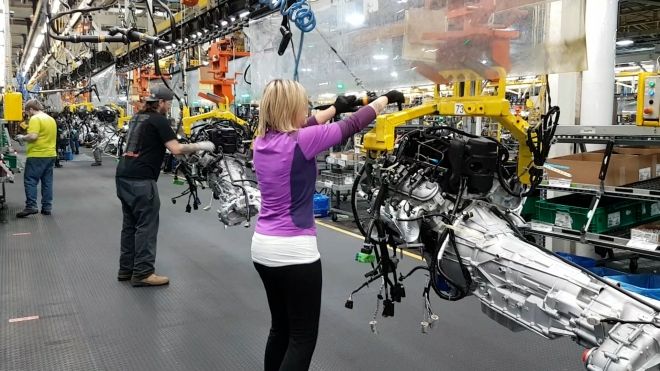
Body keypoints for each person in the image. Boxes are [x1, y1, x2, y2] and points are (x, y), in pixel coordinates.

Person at [251, 79, 404, 371]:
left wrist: (335, 107)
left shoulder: (261, 142)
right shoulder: (302, 141)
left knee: (280, 329)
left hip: (263, 249)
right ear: (291, 107)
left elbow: (306, 125)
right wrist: (384, 99)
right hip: (295, 251)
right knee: (302, 337)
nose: (306, 109)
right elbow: (352, 126)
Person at [115, 85, 215, 287]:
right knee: (146, 225)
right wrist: (200, 146)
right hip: (142, 180)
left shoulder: (138, 118)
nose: (168, 107)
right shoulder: (158, 120)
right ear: (160, 102)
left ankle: (126, 269)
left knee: (130, 224)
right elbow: (176, 149)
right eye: (168, 104)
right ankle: (143, 272)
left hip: (123, 175)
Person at [15, 99, 58, 218]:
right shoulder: (50, 119)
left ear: (31, 109)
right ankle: (47, 207)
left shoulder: (35, 119)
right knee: (47, 182)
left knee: (30, 180)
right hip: (50, 154)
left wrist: (22, 137)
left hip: (37, 155)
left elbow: (33, 136)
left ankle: (31, 206)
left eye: (27, 112)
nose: (27, 115)